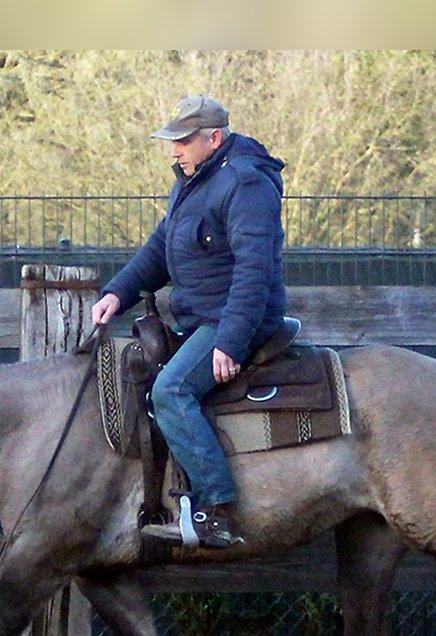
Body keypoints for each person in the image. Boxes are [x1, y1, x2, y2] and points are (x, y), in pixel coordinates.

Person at [91, 95, 287, 549]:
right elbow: (161, 249)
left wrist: (231, 343)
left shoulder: (245, 184)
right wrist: (116, 295)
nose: (173, 151)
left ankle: (216, 509)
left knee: (172, 389)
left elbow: (254, 270)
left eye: (181, 141)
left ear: (213, 138)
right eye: (172, 141)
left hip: (235, 318)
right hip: (203, 316)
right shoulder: (192, 181)